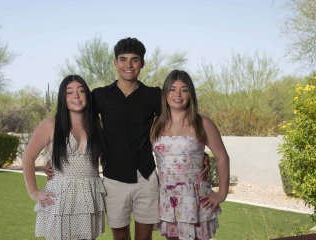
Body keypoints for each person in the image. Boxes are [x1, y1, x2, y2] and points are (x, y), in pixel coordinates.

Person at [45, 38, 210, 240]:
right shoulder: (99, 96)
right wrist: (52, 158)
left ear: (142, 63)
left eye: (134, 60)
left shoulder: (154, 95)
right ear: (115, 62)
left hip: (147, 178)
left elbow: (179, 122)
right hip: (113, 179)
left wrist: (200, 155)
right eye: (123, 59)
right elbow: (75, 122)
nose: (128, 65)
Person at [22, 75, 107, 240]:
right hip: (62, 197)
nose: (76, 96)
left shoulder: (97, 125)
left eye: (81, 91)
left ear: (87, 96)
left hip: (90, 195)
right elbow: (28, 157)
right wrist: (33, 192)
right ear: (63, 97)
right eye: (70, 92)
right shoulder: (50, 125)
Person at [150, 70, 230, 240]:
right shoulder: (155, 124)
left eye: (184, 90)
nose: (178, 94)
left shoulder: (203, 123)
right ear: (165, 94)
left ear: (191, 94)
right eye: (172, 89)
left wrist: (222, 193)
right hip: (167, 198)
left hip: (195, 199)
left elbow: (223, 157)